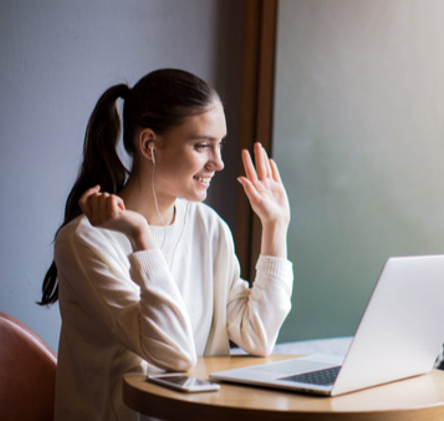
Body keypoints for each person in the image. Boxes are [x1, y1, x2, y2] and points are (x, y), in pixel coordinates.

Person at [38, 68, 293, 420]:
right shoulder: (86, 242)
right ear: (149, 145)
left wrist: (275, 227)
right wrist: (140, 236)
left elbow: (258, 335)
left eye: (220, 144)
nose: (217, 162)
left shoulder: (209, 227)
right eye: (202, 145)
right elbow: (174, 353)